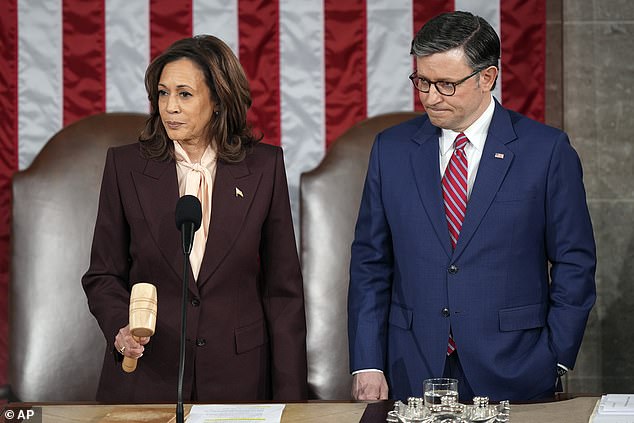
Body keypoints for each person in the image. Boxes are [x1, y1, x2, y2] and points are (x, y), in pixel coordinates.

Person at [348, 11, 596, 402]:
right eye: (422, 81)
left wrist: (556, 358)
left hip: (517, 368)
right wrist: (368, 362)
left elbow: (574, 262)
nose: (430, 96)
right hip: (410, 368)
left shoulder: (546, 152)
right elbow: (370, 263)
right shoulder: (390, 150)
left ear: (487, 78)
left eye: (446, 84)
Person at [82, 35, 307, 403]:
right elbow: (102, 274)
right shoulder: (126, 166)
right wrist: (120, 329)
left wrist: (292, 403)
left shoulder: (264, 167)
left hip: (238, 381)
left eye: (184, 94)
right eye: (162, 93)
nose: (170, 107)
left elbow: (283, 292)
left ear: (218, 100)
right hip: (148, 377)